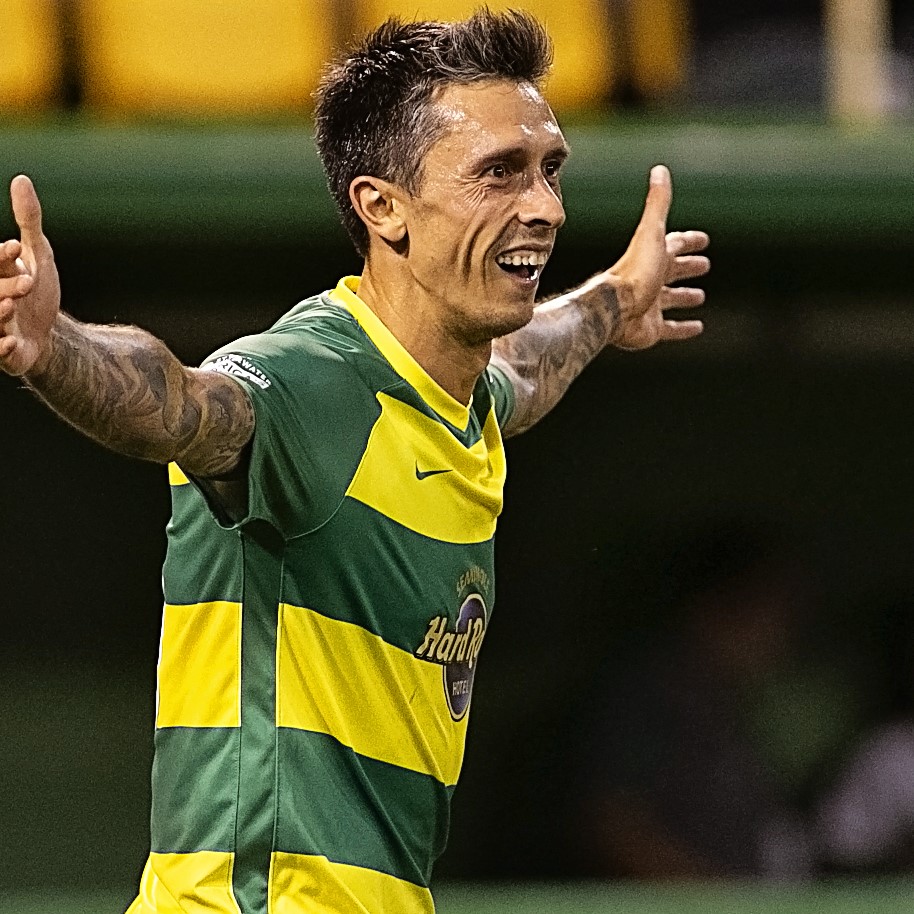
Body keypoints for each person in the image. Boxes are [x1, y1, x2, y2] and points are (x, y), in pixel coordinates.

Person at [0, 10, 709, 914]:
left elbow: (525, 368)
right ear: (383, 207)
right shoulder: (311, 386)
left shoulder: (459, 397)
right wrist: (52, 347)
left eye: (549, 169)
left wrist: (615, 299)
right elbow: (179, 405)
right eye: (499, 172)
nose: (546, 206)